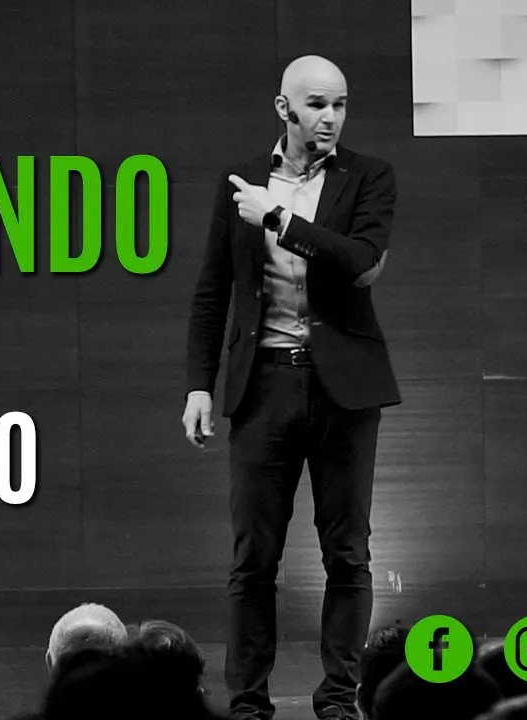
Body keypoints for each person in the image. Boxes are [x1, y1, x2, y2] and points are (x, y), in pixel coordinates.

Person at [183, 54, 399, 720]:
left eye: (340, 104)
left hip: (344, 389)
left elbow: (360, 260)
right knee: (254, 557)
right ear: (285, 109)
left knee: (348, 554)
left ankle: (337, 701)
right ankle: (248, 705)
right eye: (316, 104)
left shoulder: (368, 176)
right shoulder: (241, 183)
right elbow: (213, 290)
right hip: (263, 383)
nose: (330, 117)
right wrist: (198, 386)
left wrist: (277, 218)